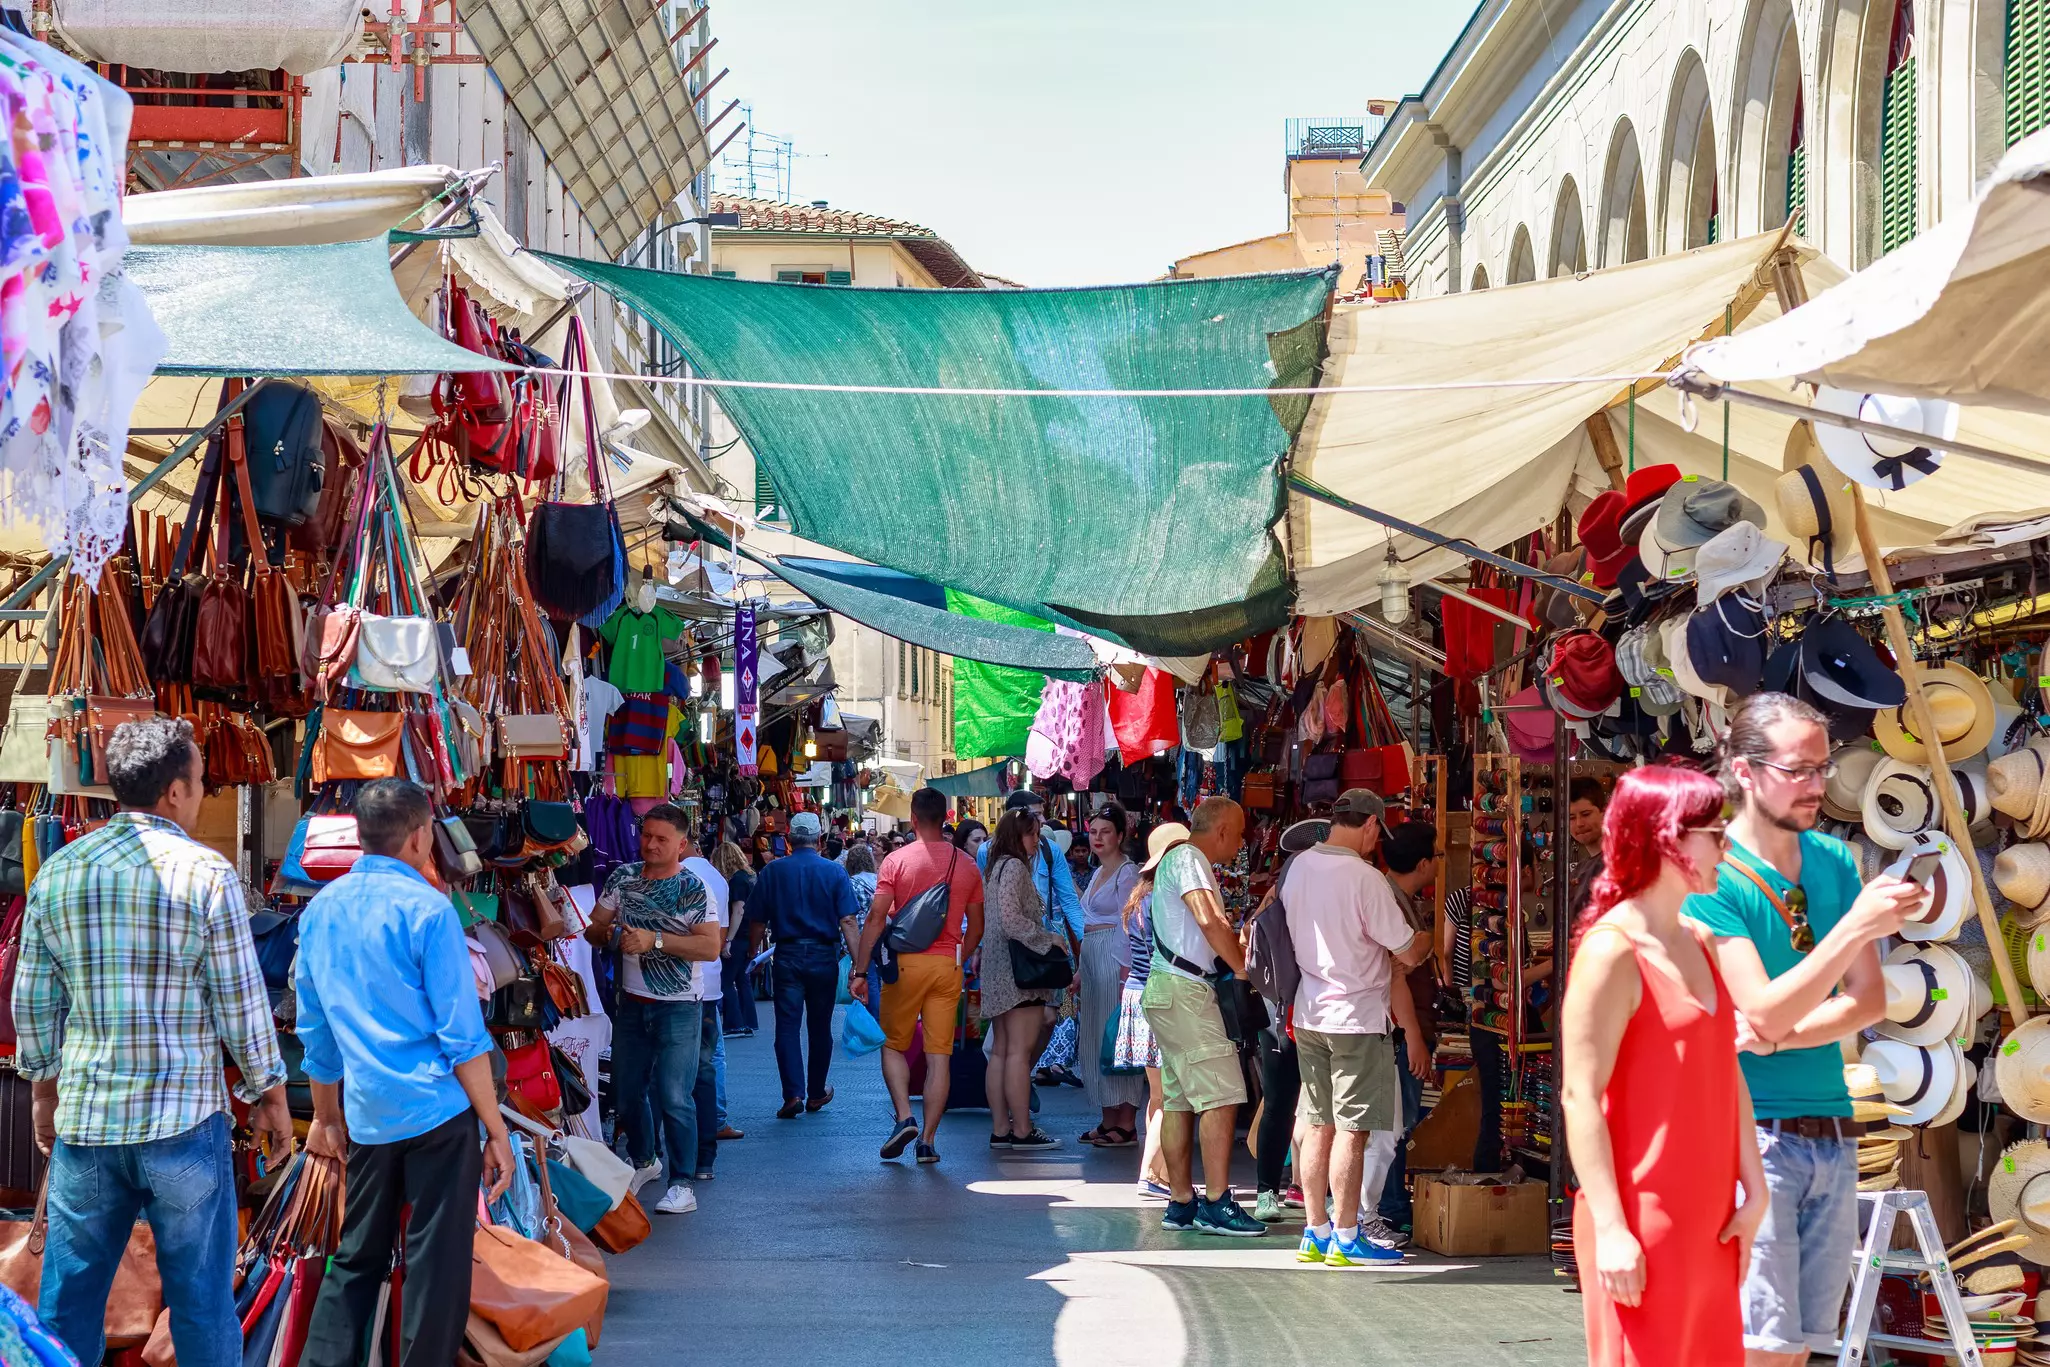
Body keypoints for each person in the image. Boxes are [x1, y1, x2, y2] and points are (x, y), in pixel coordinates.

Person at [14, 718, 291, 1367]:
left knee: (68, 1305)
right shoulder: (206, 874)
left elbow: (32, 1000)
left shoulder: (59, 871)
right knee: (200, 1304)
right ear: (173, 791)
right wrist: (269, 1099)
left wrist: (42, 1093)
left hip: (89, 1125)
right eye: (198, 780)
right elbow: (241, 1002)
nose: (200, 793)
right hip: (183, 1128)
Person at [1689, 693, 1921, 1364]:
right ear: (1744, 770)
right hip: (1751, 1136)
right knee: (1761, 1347)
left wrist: (1779, 1033)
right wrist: (1853, 928)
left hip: (1833, 1130)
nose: (1818, 785)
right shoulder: (1714, 872)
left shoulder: (1834, 860)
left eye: (1823, 767)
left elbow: (1869, 1000)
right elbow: (1759, 1005)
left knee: (1802, 1347)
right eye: (1800, 769)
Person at [297, 780, 514, 1367]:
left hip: (370, 1114)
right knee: (435, 1263)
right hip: (438, 1110)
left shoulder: (321, 910)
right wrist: (494, 1127)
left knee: (356, 1257)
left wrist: (325, 1117)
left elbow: (315, 1032)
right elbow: (462, 1035)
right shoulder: (428, 909)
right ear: (420, 836)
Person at [1564, 765, 1769, 1367]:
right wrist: (1612, 1227)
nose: (1726, 846)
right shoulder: (1612, 951)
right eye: (1715, 831)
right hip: (1639, 1217)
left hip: (1709, 1217)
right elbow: (1580, 1097)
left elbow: (1724, 1070)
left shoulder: (1701, 939)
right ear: (1670, 838)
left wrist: (1754, 1190)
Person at [1282, 790, 1430, 1265]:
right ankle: (1347, 1236)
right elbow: (1406, 952)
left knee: (1318, 1123)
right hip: (1356, 1019)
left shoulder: (1298, 868)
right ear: (1370, 826)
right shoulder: (1366, 879)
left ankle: (1315, 1232)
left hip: (1309, 1014)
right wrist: (1424, 942)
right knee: (1354, 1128)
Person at [585, 804, 723, 1215]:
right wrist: (609, 934)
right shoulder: (623, 878)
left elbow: (710, 946)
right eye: (646, 835)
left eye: (662, 839)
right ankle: (646, 1159)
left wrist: (655, 941)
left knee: (674, 1096)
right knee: (626, 1094)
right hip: (630, 1002)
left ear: (682, 844)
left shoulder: (694, 887)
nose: (651, 844)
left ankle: (683, 1183)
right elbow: (594, 926)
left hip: (679, 1006)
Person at [1142, 798, 1265, 1237]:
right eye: (1240, 832)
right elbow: (1210, 919)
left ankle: (1181, 1203)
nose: (1242, 842)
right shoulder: (1190, 858)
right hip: (1185, 991)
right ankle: (1216, 1201)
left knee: (1177, 1101)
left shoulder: (1177, 859)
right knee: (1222, 1095)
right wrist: (1240, 968)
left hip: (1167, 989)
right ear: (1222, 831)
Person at [851, 787, 986, 1163]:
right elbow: (977, 926)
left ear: (913, 819)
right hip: (948, 966)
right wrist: (962, 955)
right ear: (947, 818)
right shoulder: (967, 865)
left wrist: (860, 970)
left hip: (905, 964)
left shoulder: (895, 861)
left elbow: (877, 918)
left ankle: (905, 1117)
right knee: (939, 1055)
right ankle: (927, 1141)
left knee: (894, 1044)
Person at [749, 810, 860, 1118]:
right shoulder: (834, 872)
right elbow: (848, 920)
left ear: (789, 840)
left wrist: (751, 956)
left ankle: (792, 1094)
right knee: (819, 1026)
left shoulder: (772, 871)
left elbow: (757, 921)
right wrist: (858, 964)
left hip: (787, 955)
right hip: (824, 956)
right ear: (820, 840)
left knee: (786, 1026)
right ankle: (815, 1091)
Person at [1249, 817, 1327, 1223]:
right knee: (1281, 1102)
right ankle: (1268, 1190)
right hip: (1281, 1014)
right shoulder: (1273, 911)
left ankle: (1308, 1190)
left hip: (1317, 1011)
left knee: (1316, 1107)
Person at [978, 809, 1068, 1151]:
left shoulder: (997, 866)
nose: (1037, 840)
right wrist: (1047, 938)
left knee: (1001, 1051)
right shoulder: (1014, 866)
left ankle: (1002, 1128)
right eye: (1033, 834)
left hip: (1000, 968)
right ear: (1019, 835)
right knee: (1018, 1052)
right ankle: (1022, 1130)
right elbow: (1011, 921)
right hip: (1020, 973)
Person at [1374, 821, 1443, 1238]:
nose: (1439, 863)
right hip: (1400, 1030)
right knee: (1395, 1123)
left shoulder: (1398, 897)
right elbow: (1396, 974)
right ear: (1422, 863)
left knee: (1398, 1120)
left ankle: (1390, 1204)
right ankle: (1389, 1206)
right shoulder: (1392, 903)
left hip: (1404, 1027)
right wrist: (1413, 1034)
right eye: (1436, 856)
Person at [1075, 805, 1146, 1147]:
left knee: (1118, 1040)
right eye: (1093, 832)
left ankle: (1126, 1122)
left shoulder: (1126, 872)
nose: (1098, 838)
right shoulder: (1099, 872)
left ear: (1120, 835)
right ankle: (1107, 1118)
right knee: (1094, 1037)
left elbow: (1128, 926)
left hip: (1113, 960)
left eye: (1105, 832)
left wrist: (1124, 976)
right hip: (1091, 959)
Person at [1113, 844, 1173, 1198]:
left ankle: (1160, 1170)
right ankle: (1150, 1172)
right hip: (1157, 997)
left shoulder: (1140, 899)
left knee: (1157, 1095)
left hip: (1136, 994)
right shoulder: (1160, 902)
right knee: (1170, 1096)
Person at [679, 825, 732, 1176]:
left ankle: (664, 1153)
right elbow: (719, 939)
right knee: (706, 1063)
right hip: (708, 984)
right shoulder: (719, 879)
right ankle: (706, 1151)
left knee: (668, 1071)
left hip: (672, 984)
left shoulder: (673, 876)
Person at [713, 840, 759, 1038]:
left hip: (738, 935)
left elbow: (738, 910)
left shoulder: (737, 881)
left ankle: (734, 1023)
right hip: (748, 934)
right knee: (742, 979)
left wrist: (728, 939)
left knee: (726, 981)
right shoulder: (750, 877)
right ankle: (748, 1021)